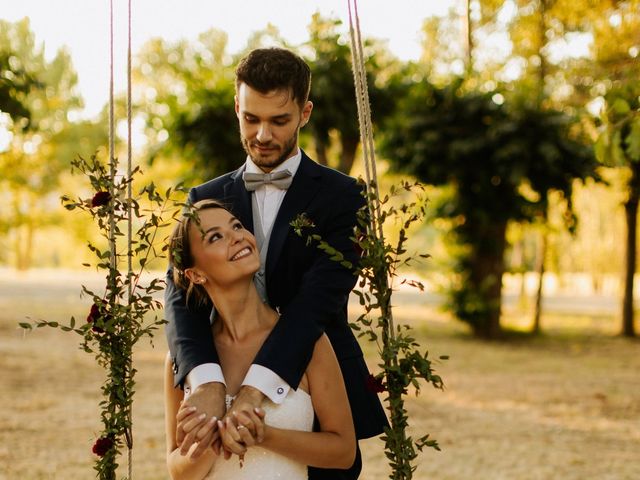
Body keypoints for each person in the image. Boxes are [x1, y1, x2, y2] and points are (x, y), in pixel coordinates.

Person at [164, 47, 387, 479]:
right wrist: (208, 383)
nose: (262, 134)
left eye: (279, 120)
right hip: (224, 364)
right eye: (251, 119)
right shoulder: (205, 198)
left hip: (315, 386)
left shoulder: (344, 197)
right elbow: (180, 299)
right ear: (236, 108)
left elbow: (317, 304)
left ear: (304, 113)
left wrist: (254, 391)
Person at [165, 200, 356, 479]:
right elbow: (177, 471)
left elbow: (344, 452)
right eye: (216, 237)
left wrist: (263, 435)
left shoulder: (310, 344)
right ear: (195, 274)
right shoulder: (182, 361)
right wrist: (209, 440)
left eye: (237, 226)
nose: (237, 237)